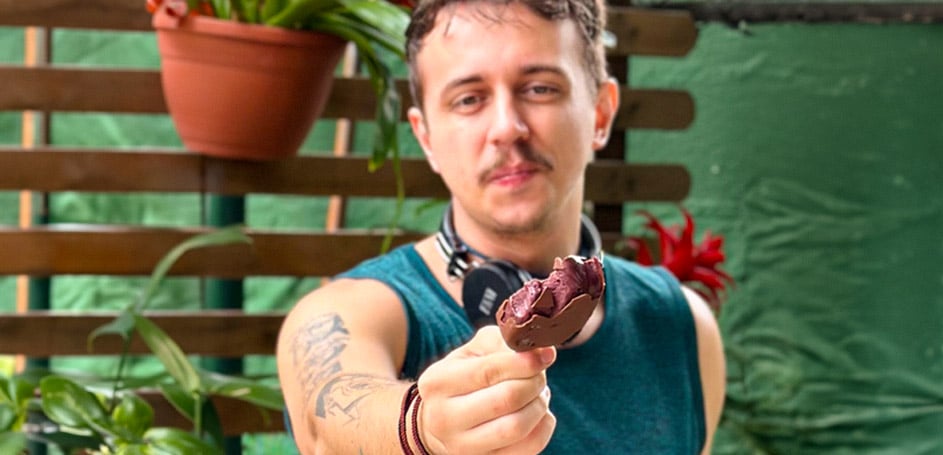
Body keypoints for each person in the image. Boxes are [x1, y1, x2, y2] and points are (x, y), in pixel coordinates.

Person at [276, 0, 726, 452]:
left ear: (601, 113)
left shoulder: (683, 326)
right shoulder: (348, 312)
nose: (507, 128)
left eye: (540, 89)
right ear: (426, 138)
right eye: (469, 99)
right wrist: (423, 428)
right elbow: (325, 428)